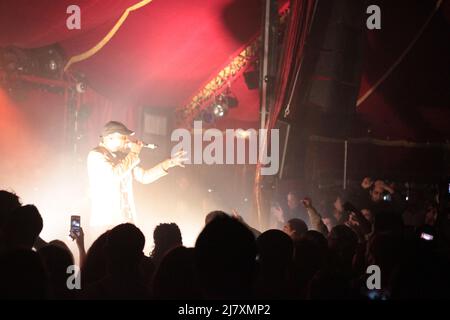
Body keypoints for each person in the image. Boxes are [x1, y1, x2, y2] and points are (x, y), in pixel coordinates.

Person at [87, 121, 187, 228]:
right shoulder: (96, 155)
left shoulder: (123, 157)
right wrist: (133, 153)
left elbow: (144, 177)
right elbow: (114, 174)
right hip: (106, 221)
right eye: (123, 137)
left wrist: (169, 162)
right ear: (110, 137)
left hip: (125, 220)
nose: (127, 140)